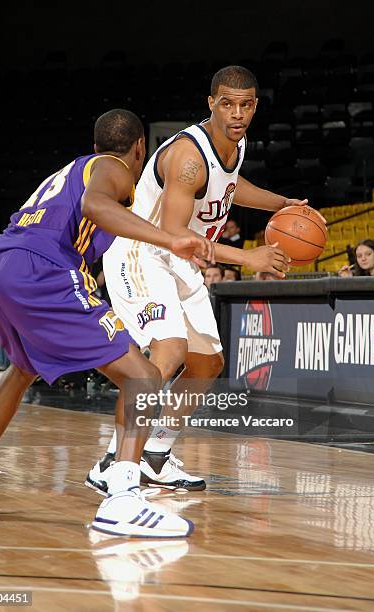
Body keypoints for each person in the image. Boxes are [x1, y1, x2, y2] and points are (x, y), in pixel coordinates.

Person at [0, 109, 210, 538]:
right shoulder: (114, 170)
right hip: (39, 270)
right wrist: (170, 238)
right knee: (144, 376)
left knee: (23, 368)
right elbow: (94, 205)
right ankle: (122, 497)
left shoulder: (72, 170)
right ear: (140, 149)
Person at [87, 65, 308, 495]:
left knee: (207, 363)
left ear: (255, 106)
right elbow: (176, 236)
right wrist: (248, 255)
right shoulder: (189, 156)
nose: (236, 113)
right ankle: (113, 462)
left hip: (180, 261)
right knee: (166, 353)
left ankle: (154, 455)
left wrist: (282, 204)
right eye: (227, 104)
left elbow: (229, 186)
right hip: (144, 253)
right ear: (211, 104)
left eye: (245, 105)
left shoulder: (235, 146)